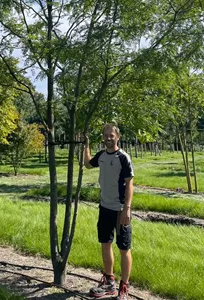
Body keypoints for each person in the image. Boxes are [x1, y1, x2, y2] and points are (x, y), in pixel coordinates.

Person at [83, 123, 134, 299]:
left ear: (117, 137)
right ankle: (109, 281)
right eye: (105, 135)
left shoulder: (123, 157)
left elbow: (129, 184)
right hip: (104, 208)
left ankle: (124, 286)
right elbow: (88, 164)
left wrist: (127, 209)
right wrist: (86, 145)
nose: (107, 138)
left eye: (111, 135)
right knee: (105, 243)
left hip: (120, 209)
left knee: (124, 248)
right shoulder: (102, 156)